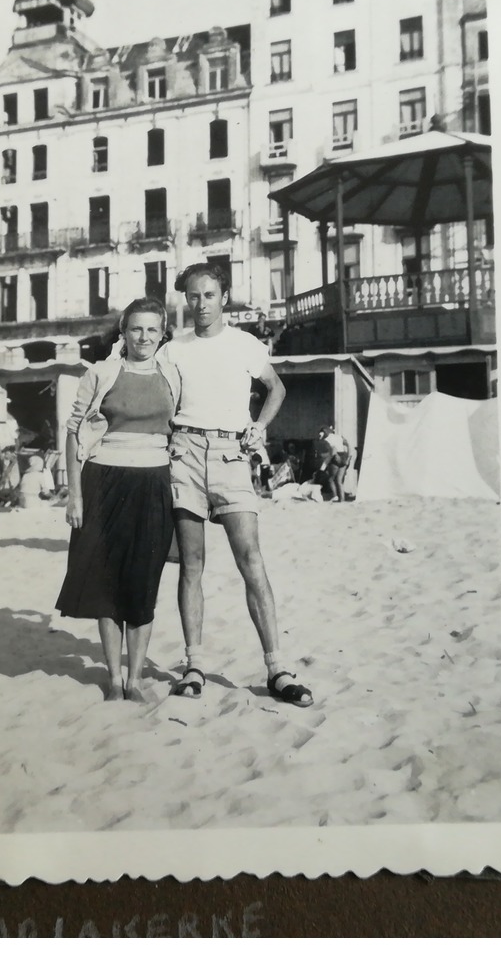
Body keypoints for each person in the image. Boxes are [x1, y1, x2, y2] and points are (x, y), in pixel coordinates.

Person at [156, 262, 314, 707]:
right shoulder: (173, 350)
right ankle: (193, 664)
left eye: (208, 295)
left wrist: (259, 427)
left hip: (230, 456)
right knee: (192, 564)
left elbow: (276, 388)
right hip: (184, 455)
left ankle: (277, 667)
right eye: (192, 296)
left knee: (251, 559)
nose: (200, 304)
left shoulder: (245, 344)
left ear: (224, 297)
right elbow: (162, 403)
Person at [55, 298, 182, 703]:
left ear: (162, 334)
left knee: (143, 585)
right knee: (106, 585)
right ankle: (113, 679)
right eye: (135, 329)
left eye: (151, 330)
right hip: (104, 481)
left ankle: (135, 679)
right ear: (123, 333)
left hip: (154, 483)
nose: (143, 337)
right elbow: (74, 434)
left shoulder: (173, 375)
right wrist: (74, 496)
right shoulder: (101, 373)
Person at [315, 424, 352, 503]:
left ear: (324, 431)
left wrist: (324, 466)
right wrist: (348, 457)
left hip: (336, 458)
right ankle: (342, 500)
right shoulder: (339, 436)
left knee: (331, 479)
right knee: (339, 481)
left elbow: (333, 451)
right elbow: (348, 444)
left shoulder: (327, 440)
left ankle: (335, 496)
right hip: (344, 457)